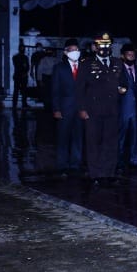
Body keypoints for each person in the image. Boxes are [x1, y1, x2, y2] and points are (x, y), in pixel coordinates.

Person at [75, 33, 122, 187]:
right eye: (101, 45)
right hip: (93, 110)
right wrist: (82, 108)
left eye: (108, 45)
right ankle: (95, 174)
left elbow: (124, 82)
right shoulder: (86, 64)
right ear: (95, 47)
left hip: (112, 109)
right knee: (94, 142)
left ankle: (108, 173)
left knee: (111, 142)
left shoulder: (117, 63)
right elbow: (80, 88)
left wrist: (123, 88)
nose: (105, 48)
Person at [51, 38, 84, 177]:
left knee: (78, 137)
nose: (74, 52)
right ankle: (62, 165)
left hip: (80, 109)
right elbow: (55, 90)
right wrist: (56, 109)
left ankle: (75, 164)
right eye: (71, 50)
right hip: (65, 108)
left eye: (76, 50)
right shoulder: (59, 68)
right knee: (63, 137)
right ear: (65, 52)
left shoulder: (84, 67)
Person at [116, 43, 137, 174]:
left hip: (136, 110)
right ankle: (119, 160)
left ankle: (134, 159)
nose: (131, 57)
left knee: (136, 136)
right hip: (123, 109)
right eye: (128, 55)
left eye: (133, 55)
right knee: (121, 136)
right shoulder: (117, 70)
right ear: (122, 56)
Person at [12, 42, 30, 109]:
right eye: (22, 48)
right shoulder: (15, 57)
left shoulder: (25, 57)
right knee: (16, 90)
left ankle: (24, 104)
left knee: (24, 90)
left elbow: (27, 66)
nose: (23, 49)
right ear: (19, 49)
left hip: (23, 75)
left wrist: (25, 72)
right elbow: (17, 66)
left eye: (23, 48)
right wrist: (23, 67)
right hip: (18, 75)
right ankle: (14, 104)